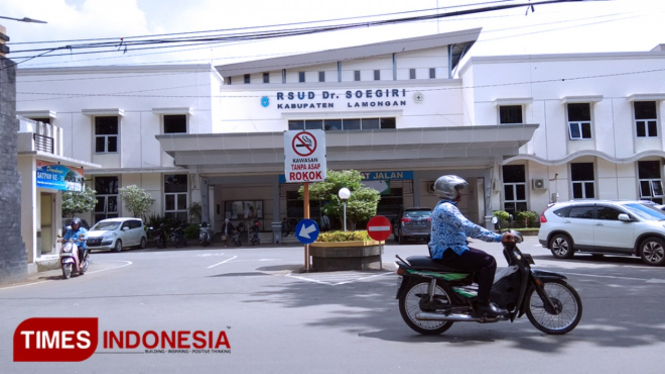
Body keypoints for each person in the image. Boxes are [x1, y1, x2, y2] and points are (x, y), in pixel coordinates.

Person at [429, 175, 513, 318]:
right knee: (488, 262)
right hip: (449, 251)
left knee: (480, 259)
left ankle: (476, 296)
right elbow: (469, 228)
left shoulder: (445, 207)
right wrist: (498, 237)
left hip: (451, 249)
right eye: (457, 189)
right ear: (448, 191)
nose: (460, 193)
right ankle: (483, 305)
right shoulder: (447, 209)